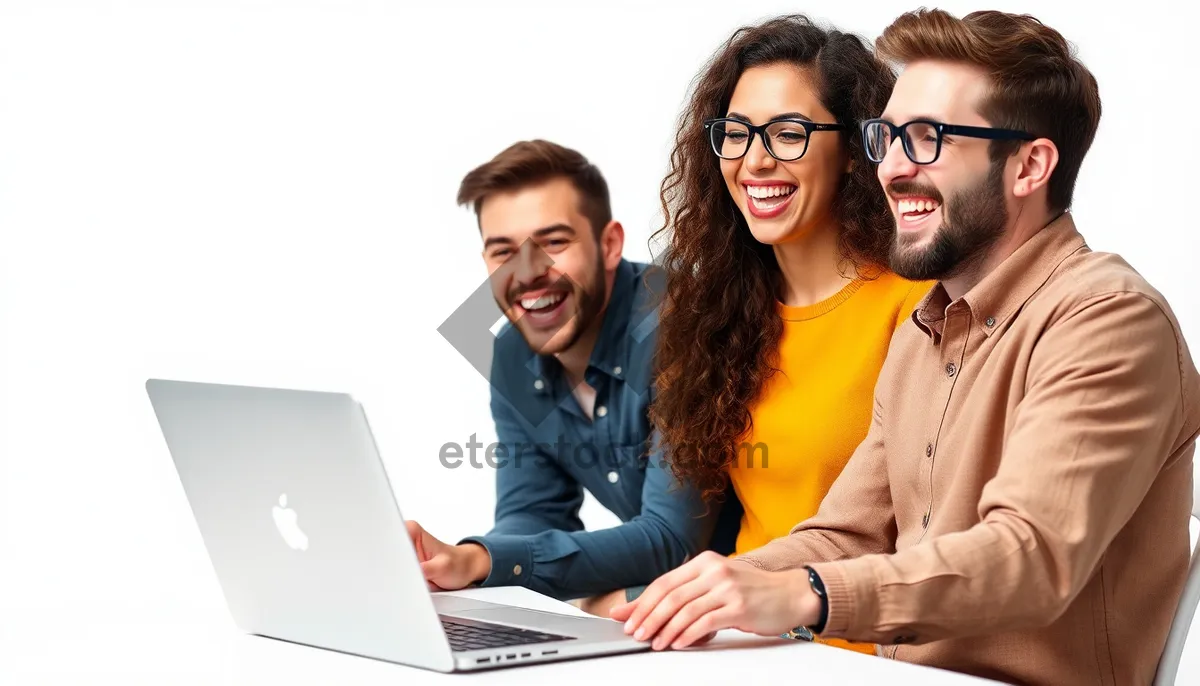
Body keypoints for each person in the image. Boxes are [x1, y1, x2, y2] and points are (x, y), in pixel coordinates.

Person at [612, 9, 1200, 685]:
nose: (890, 168)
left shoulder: (1108, 319)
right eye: (886, 137)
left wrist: (808, 593)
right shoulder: (930, 326)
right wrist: (712, 587)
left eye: (926, 140)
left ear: (1030, 165)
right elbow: (847, 533)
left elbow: (1030, 557)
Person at [645, 15, 931, 655]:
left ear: (858, 150)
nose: (756, 160)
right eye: (736, 134)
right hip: (735, 649)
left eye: (790, 133)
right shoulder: (714, 315)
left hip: (869, 656)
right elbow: (678, 526)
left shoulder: (917, 307)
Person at [406, 139, 740, 610]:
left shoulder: (681, 322)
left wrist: (485, 563)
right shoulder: (511, 353)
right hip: (680, 601)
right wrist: (465, 567)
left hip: (768, 596)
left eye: (553, 243)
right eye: (503, 252)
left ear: (608, 245)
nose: (527, 273)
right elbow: (532, 513)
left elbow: (671, 538)